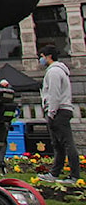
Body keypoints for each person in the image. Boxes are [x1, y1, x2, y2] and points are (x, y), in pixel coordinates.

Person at [37, 44, 80, 183]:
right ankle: (55, 173)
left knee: (66, 143)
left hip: (59, 111)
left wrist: (51, 112)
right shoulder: (58, 71)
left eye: (42, 56)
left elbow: (54, 94)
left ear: (49, 57)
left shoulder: (54, 72)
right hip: (62, 110)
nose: (40, 59)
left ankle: (74, 176)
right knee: (58, 144)